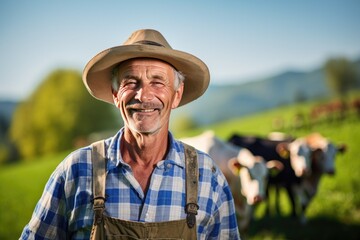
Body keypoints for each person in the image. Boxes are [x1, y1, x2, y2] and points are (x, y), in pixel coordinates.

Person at [20, 29, 240, 239]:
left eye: (157, 81)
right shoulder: (76, 170)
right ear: (116, 94)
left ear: (177, 95)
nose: (143, 95)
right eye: (131, 82)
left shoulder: (207, 176)